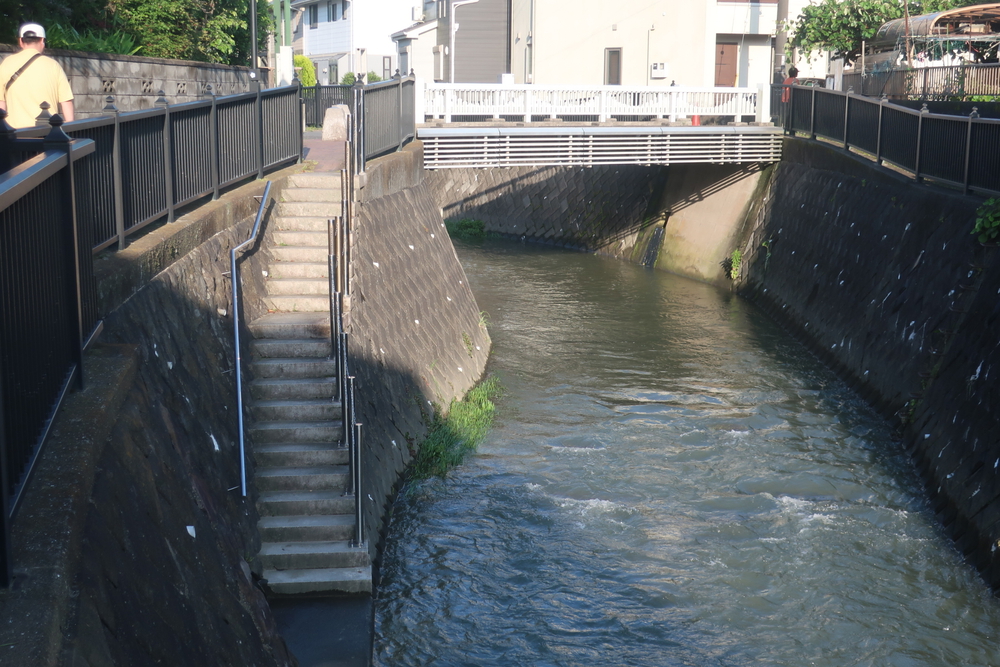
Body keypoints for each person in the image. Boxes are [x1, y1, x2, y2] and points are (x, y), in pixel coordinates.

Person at [0, 23, 74, 128]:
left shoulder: (6, 63)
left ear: (21, 41)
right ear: (42, 41)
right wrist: (70, 128)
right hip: (48, 132)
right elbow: (66, 101)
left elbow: (1, 102)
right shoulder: (53, 65)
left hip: (15, 134)